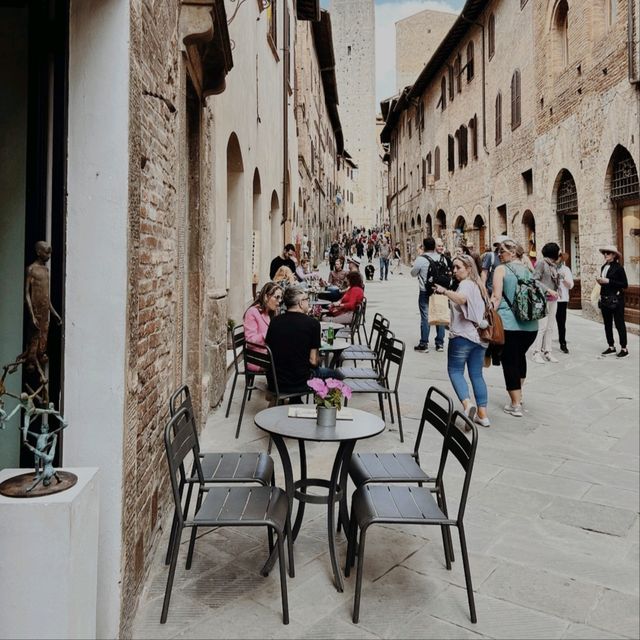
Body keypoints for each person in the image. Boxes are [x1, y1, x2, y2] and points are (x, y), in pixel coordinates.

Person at [433, 254, 491, 428]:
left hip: (462, 336)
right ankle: (483, 415)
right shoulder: (479, 285)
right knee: (476, 375)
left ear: (469, 268)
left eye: (458, 267)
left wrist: (445, 291)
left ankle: (467, 405)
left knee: (455, 370)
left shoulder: (466, 284)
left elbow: (462, 299)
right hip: (479, 337)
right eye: (454, 267)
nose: (454, 270)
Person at [491, 239, 539, 417]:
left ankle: (515, 404)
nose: (499, 254)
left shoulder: (501, 269)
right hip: (531, 326)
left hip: (508, 324)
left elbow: (496, 297)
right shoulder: (528, 269)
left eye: (502, 251)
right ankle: (519, 394)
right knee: (520, 358)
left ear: (512, 253)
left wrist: (486, 318)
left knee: (509, 361)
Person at [265, 286, 337, 397]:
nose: (308, 303)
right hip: (300, 382)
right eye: (307, 299)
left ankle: (295, 401)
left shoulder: (274, 321)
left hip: (274, 382)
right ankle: (325, 408)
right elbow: (313, 361)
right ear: (300, 303)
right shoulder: (312, 324)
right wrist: (319, 359)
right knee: (336, 374)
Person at [411, 237, 451, 352]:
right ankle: (440, 344)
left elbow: (413, 273)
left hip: (425, 291)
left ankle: (424, 344)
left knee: (425, 317)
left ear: (423, 247)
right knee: (440, 314)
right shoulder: (442, 258)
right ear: (434, 246)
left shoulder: (421, 259)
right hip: (440, 291)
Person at [531, 242, 561, 364]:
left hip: (553, 299)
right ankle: (536, 352)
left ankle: (548, 351)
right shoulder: (541, 263)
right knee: (541, 327)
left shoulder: (554, 265)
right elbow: (534, 280)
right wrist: (548, 290)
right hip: (542, 299)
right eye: (558, 250)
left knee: (550, 327)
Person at [597, 245, 629, 358]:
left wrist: (608, 281)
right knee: (607, 324)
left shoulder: (619, 268)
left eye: (608, 253)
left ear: (614, 255)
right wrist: (601, 282)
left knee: (619, 324)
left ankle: (624, 348)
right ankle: (611, 347)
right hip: (605, 299)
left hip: (617, 300)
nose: (605, 254)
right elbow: (605, 284)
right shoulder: (603, 267)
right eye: (604, 253)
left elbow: (625, 284)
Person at [243, 282, 283, 370]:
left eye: (280, 298)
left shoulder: (271, 312)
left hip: (270, 354)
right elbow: (250, 341)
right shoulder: (252, 312)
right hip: (258, 358)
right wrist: (268, 334)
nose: (279, 301)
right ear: (266, 297)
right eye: (276, 297)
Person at [555, 252, 574, 354]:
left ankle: (563, 343)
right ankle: (544, 345)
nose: (557, 259)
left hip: (562, 300)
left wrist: (563, 279)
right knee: (546, 325)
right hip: (550, 299)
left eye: (558, 257)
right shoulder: (550, 268)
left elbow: (570, 285)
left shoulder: (566, 270)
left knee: (561, 323)